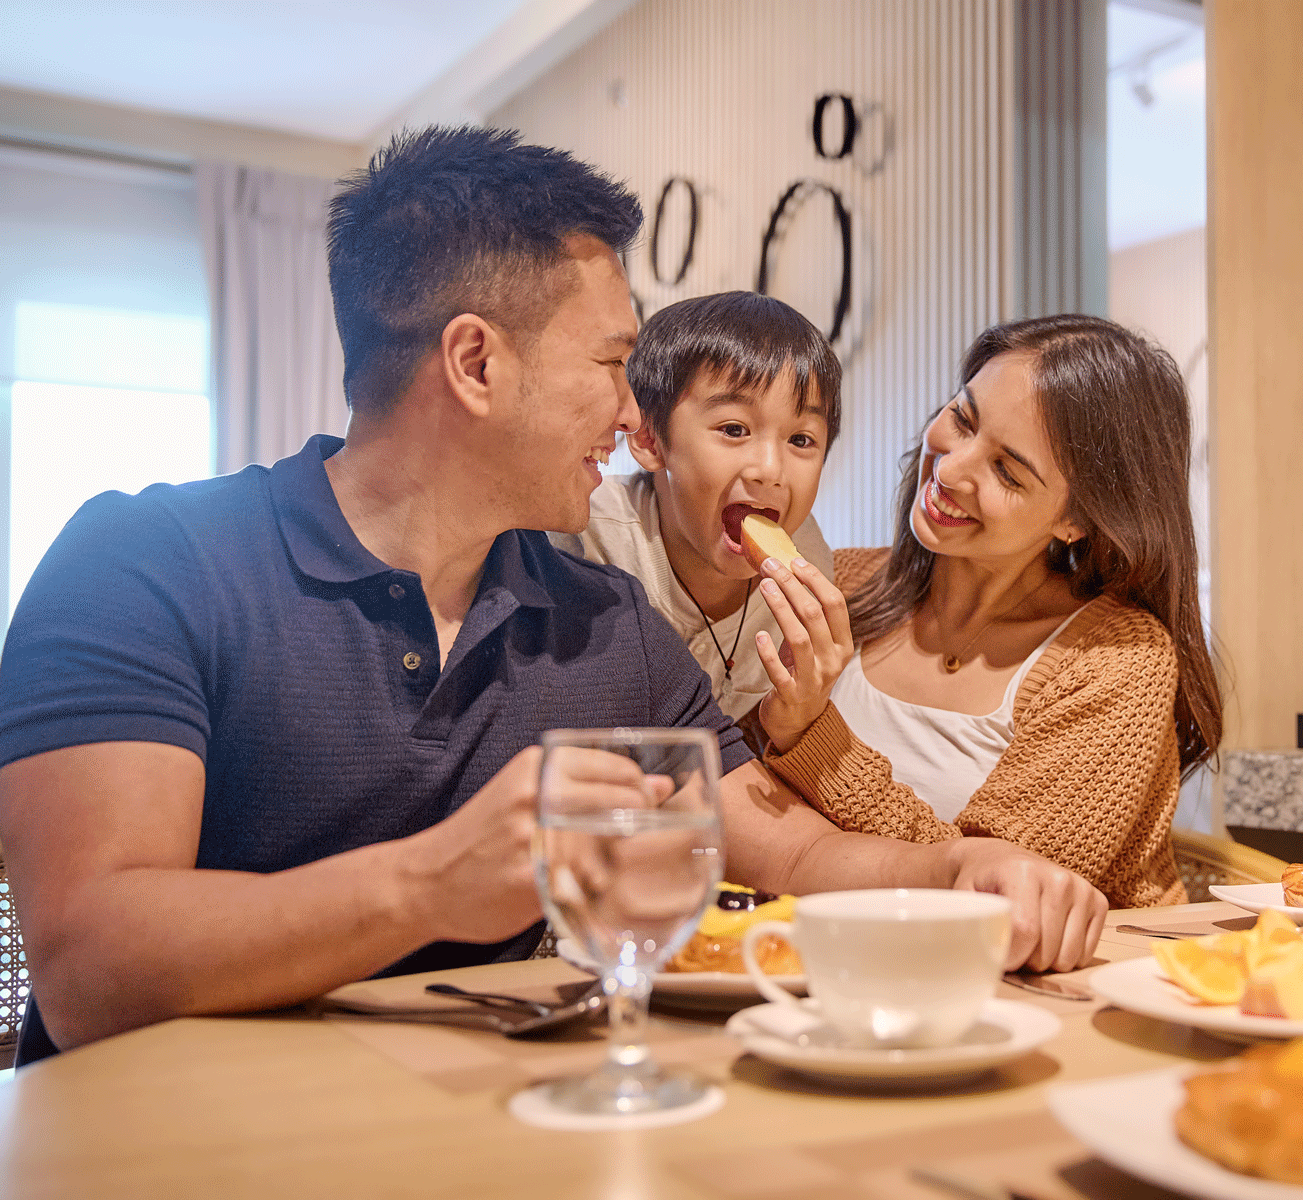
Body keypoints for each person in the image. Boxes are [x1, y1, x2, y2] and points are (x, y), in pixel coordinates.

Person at [0, 128, 1105, 1063]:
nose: (636, 417)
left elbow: (791, 853)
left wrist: (953, 869)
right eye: (612, 364)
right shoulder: (144, 561)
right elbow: (91, 963)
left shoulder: (604, 623)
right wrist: (432, 885)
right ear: (475, 365)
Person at [750, 314, 1224, 909]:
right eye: (962, 419)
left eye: (1006, 470)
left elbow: (997, 893)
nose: (949, 469)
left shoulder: (1116, 659)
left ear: (1077, 519)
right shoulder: (840, 583)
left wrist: (812, 737)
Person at [555, 291, 839, 720]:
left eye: (800, 440)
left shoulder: (808, 562)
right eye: (734, 429)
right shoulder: (587, 538)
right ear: (650, 438)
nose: (769, 469)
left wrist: (797, 719)